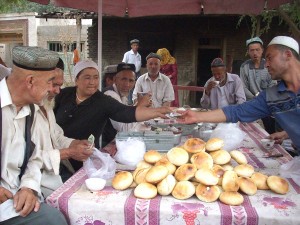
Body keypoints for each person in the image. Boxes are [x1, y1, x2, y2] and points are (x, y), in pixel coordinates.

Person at [179, 36, 300, 155]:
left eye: (269, 58)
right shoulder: (272, 97)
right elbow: (237, 111)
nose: (266, 64)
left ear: (287, 55)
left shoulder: (236, 80)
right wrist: (197, 116)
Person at [54, 60, 171, 177]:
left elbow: (126, 113)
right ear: (76, 80)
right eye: (87, 78)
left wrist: (156, 112)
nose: (92, 82)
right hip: (56, 153)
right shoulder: (63, 95)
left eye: (95, 77)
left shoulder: (103, 101)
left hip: (83, 156)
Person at [0, 46, 67, 225]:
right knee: (53, 221)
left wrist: (28, 187)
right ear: (30, 81)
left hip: (15, 199)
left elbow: (34, 159)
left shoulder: (32, 111)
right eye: (50, 82)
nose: (53, 89)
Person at [32, 58, 91, 194]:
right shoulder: (25, 112)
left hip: (60, 172)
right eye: (54, 85)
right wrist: (69, 153)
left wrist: (75, 144)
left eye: (60, 85)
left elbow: (57, 136)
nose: (58, 91)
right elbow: (28, 160)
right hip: (40, 184)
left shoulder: (46, 106)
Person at [102, 63, 152, 146]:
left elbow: (126, 115)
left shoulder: (122, 94)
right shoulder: (110, 94)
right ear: (115, 80)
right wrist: (141, 106)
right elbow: (123, 128)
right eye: (123, 79)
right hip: (106, 144)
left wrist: (138, 105)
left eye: (131, 80)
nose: (127, 84)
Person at [240, 36, 277, 134]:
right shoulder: (244, 67)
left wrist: (262, 98)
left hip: (267, 102)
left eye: (257, 50)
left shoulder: (269, 65)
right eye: (251, 50)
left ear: (262, 50)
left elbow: (273, 85)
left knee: (270, 130)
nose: (255, 53)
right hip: (251, 102)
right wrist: (255, 99)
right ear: (248, 52)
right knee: (250, 130)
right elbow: (243, 87)